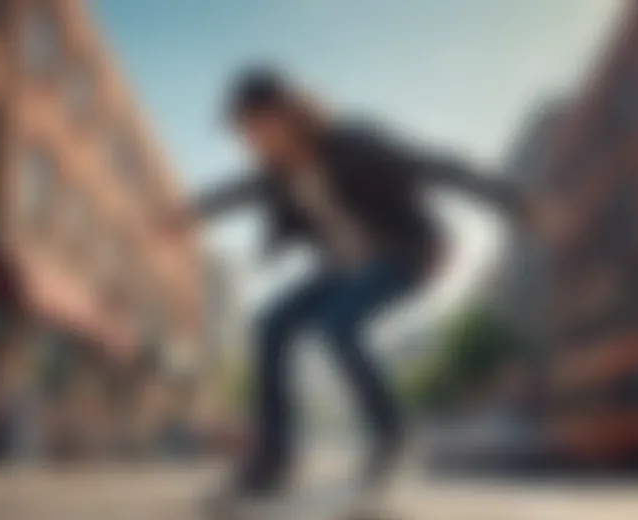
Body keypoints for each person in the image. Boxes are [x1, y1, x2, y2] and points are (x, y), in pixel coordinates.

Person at [165, 67, 549, 498]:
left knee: (337, 326)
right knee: (270, 324)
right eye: (243, 133)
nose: (250, 141)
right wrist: (186, 214)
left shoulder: (355, 144)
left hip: (409, 253)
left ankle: (390, 434)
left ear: (286, 114)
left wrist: (512, 200)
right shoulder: (277, 173)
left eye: (255, 127)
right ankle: (272, 460)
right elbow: (238, 192)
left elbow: (435, 165)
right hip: (345, 267)